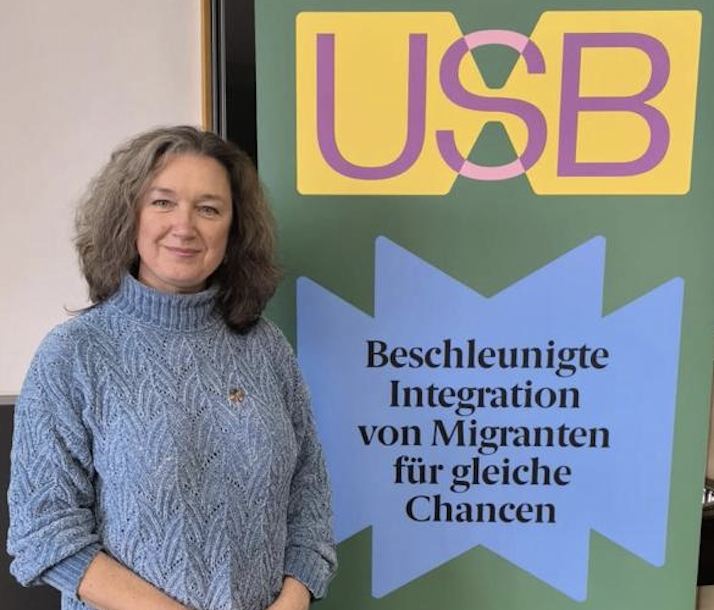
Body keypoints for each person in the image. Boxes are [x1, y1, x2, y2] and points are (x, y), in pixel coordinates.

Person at [6, 126, 337, 610]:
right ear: (130, 215)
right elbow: (43, 532)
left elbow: (309, 500)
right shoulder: (74, 354)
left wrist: (294, 598)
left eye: (209, 208)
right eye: (163, 202)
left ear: (234, 229)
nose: (185, 226)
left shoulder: (267, 348)